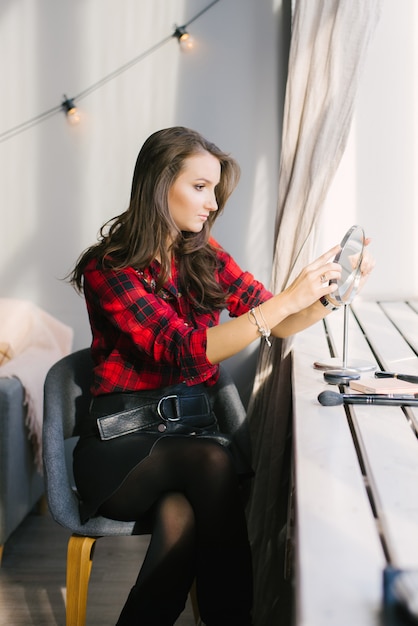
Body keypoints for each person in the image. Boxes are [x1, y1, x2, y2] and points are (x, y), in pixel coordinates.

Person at [69, 126, 374, 626]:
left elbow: (278, 318)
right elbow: (179, 350)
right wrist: (286, 300)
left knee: (180, 522)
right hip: (118, 450)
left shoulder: (204, 258)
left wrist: (332, 293)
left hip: (181, 443)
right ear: (158, 184)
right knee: (214, 460)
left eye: (214, 189)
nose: (213, 203)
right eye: (199, 186)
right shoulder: (111, 267)